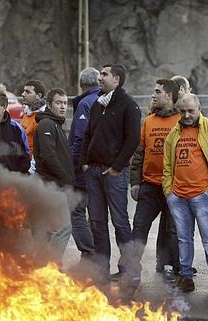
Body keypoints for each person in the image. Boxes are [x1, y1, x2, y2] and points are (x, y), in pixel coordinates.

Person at [163, 94, 208, 293]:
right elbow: (167, 165)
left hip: (202, 195)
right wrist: (169, 191)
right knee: (184, 238)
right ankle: (186, 277)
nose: (186, 115)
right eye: (182, 111)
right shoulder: (173, 134)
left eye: (191, 111)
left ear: (199, 108)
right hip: (178, 196)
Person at [81, 64, 141, 286]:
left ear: (116, 79)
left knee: (120, 221)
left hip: (114, 173)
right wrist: (85, 162)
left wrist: (117, 166)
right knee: (96, 222)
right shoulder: (98, 104)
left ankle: (130, 271)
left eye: (104, 74)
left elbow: (133, 138)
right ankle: (101, 270)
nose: (99, 78)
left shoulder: (128, 105)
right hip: (94, 171)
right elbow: (88, 134)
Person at [128, 79, 181, 277]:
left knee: (171, 230)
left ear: (169, 96)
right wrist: (135, 182)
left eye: (157, 91)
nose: (153, 95)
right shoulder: (148, 121)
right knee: (140, 226)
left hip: (173, 187)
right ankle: (131, 267)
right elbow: (139, 153)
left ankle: (169, 265)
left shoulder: (181, 121)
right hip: (149, 185)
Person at [33, 88, 75, 264]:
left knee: (45, 229)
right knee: (63, 227)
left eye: (65, 103)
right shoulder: (46, 124)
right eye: (59, 103)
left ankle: (42, 266)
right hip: (50, 185)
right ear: (49, 104)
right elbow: (48, 156)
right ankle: (52, 265)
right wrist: (65, 178)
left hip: (53, 185)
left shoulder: (55, 124)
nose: (63, 106)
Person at [68, 67, 100, 260]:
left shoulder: (86, 103)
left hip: (83, 168)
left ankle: (89, 253)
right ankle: (99, 255)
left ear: (81, 85)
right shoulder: (108, 101)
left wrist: (72, 167)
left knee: (76, 211)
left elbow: (79, 138)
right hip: (102, 167)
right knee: (96, 213)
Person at [20, 79, 47, 159]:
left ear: (38, 95)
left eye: (27, 92)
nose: (23, 94)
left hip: (33, 166)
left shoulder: (43, 117)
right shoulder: (27, 113)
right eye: (24, 91)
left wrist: (32, 168)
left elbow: (43, 148)